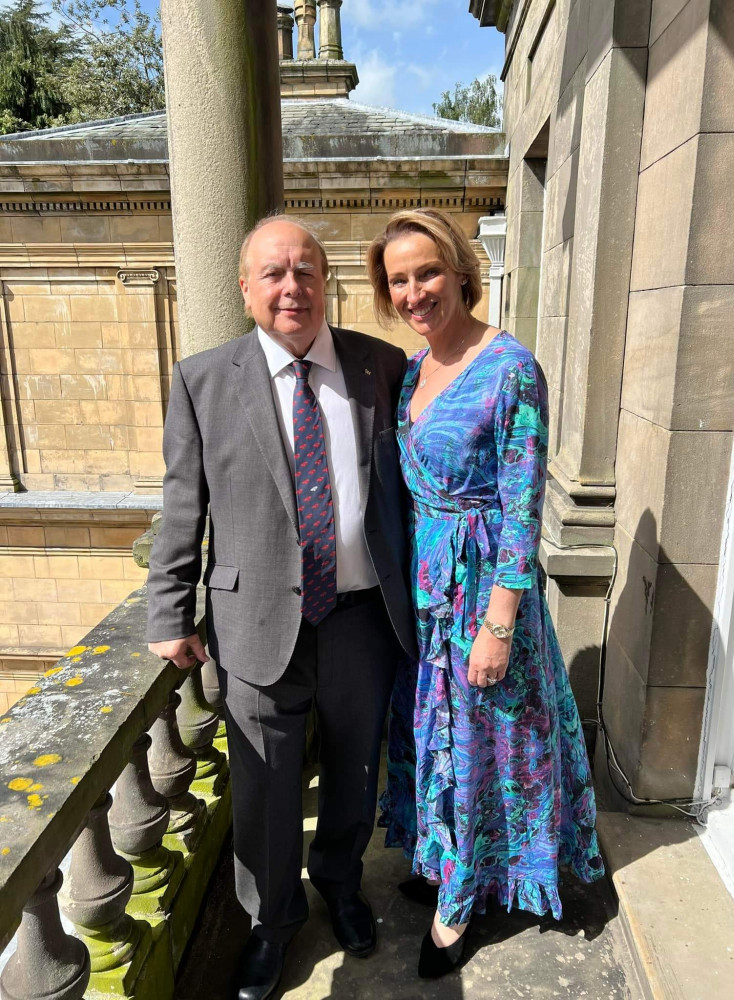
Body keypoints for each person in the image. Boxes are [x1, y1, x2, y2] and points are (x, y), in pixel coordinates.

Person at [147, 215, 417, 1000]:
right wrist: (169, 612)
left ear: (325, 281)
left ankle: (339, 882)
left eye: (305, 271)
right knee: (263, 791)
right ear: (245, 288)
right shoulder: (203, 379)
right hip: (255, 622)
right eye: (273, 273)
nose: (291, 286)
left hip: (364, 617)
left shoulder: (381, 366)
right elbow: (181, 506)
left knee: (353, 767)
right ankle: (273, 920)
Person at [366, 208, 604, 979]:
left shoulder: (510, 370)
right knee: (433, 737)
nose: (414, 292)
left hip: (480, 600)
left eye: (426, 273)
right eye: (398, 280)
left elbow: (520, 505)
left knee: (478, 747)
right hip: (426, 599)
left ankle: (460, 903)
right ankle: (445, 857)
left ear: (462, 271)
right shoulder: (412, 370)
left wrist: (500, 622)